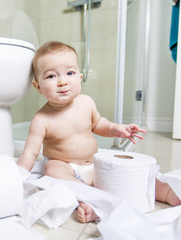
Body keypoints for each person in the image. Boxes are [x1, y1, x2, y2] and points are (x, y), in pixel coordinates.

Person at [17, 41, 181, 223]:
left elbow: (99, 124)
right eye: (51, 76)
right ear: (38, 86)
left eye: (69, 73)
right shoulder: (42, 119)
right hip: (66, 166)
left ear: (79, 78)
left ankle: (165, 191)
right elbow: (30, 152)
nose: (62, 81)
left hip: (95, 164)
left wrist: (115, 129)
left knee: (126, 175)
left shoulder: (86, 102)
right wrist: (19, 176)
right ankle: (91, 202)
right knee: (51, 170)